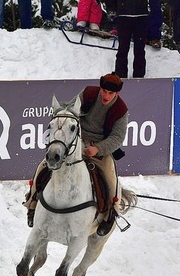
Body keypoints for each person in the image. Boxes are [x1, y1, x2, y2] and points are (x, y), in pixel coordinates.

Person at [25, 73, 128, 236]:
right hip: (74, 141)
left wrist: (98, 148)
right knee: (43, 166)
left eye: (110, 93)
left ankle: (111, 215)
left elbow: (118, 137)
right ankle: (32, 203)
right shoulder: (88, 93)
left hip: (99, 148)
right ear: (100, 88)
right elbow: (72, 107)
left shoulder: (120, 110)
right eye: (104, 91)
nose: (106, 96)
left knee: (111, 181)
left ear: (117, 94)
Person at [113, 0, 150, 78]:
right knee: (123, 48)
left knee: (139, 49)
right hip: (124, 16)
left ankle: (139, 77)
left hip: (140, 16)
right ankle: (120, 76)